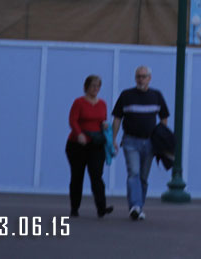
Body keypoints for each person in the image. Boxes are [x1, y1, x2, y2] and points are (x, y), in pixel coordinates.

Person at [112, 65, 169, 221]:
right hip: (130, 141)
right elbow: (117, 117)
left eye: (144, 76)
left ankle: (139, 207)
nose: (141, 79)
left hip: (150, 142)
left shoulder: (156, 95)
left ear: (149, 78)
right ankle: (135, 206)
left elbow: (164, 116)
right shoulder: (126, 95)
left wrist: (161, 136)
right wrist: (113, 139)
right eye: (138, 76)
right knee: (134, 172)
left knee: (143, 177)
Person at [66, 75, 113, 218]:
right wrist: (79, 134)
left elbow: (102, 120)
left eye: (98, 86)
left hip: (96, 144)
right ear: (86, 87)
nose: (95, 89)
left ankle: (101, 207)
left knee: (96, 175)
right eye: (93, 86)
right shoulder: (79, 102)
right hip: (78, 144)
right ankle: (74, 207)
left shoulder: (102, 104)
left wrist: (104, 125)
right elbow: (72, 120)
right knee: (77, 176)